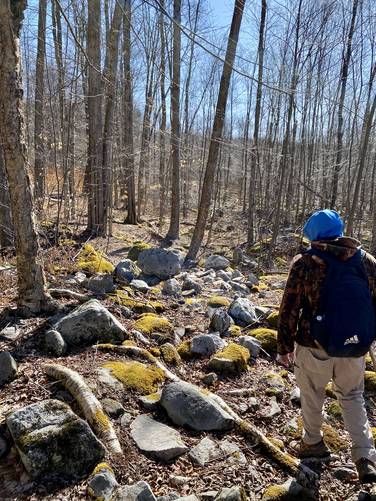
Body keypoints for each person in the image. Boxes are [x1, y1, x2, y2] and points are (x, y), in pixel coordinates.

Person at [277, 209, 376, 483]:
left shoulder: (306, 262)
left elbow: (289, 308)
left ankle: (313, 443)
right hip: (355, 347)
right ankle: (365, 456)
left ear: (313, 234)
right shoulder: (366, 261)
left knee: (312, 393)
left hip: (313, 345)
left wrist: (285, 346)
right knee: (353, 397)